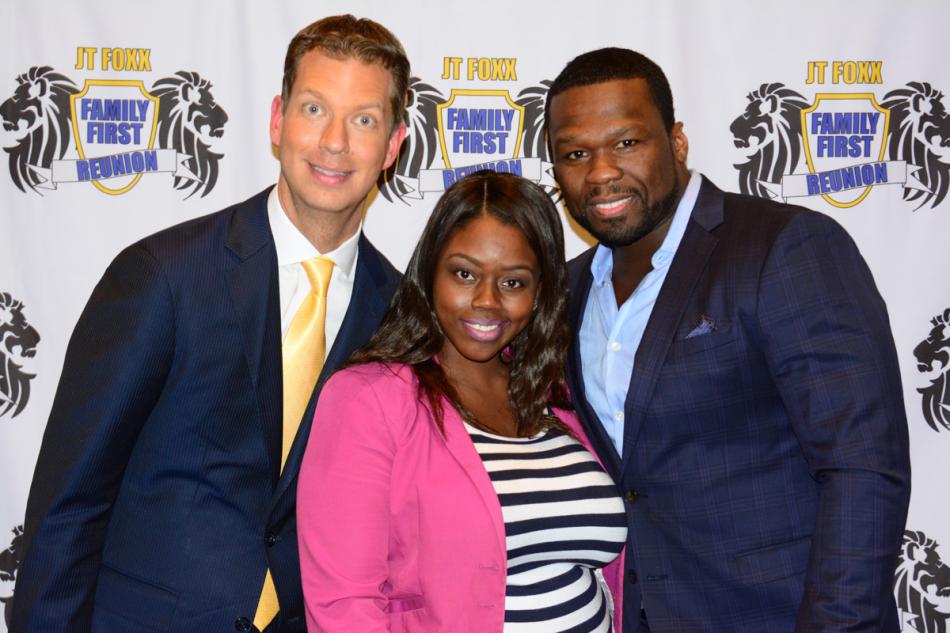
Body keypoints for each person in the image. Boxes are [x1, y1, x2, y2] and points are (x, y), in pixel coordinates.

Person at [11, 15, 408, 633]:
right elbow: (70, 502)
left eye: (363, 120)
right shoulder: (164, 275)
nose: (334, 141)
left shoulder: (400, 313)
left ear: (392, 146)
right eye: (314, 109)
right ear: (277, 121)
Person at [545, 47, 911, 632]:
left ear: (677, 142)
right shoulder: (566, 290)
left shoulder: (784, 249)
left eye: (627, 142)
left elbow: (862, 469)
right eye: (575, 154)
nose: (601, 172)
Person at [297, 171, 627, 632]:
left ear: (540, 294)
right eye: (465, 274)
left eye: (513, 282)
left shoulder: (555, 392)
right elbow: (344, 603)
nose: (486, 301)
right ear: (430, 272)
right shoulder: (368, 399)